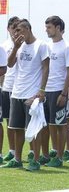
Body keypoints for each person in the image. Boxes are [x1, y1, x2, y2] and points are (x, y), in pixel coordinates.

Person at [1, 19, 50, 171]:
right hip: (17, 92)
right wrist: (15, 48)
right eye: (15, 31)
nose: (17, 34)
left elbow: (46, 68)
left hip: (32, 94)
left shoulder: (41, 45)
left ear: (28, 29)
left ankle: (35, 159)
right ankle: (17, 158)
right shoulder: (18, 46)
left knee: (33, 129)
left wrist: (41, 91)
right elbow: (9, 64)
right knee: (16, 128)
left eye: (20, 31)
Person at [41, 16, 69, 167]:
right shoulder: (47, 46)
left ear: (58, 28)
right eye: (46, 27)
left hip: (58, 91)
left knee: (60, 125)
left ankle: (59, 157)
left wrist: (64, 93)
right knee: (46, 124)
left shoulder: (67, 47)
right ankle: (46, 155)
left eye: (49, 27)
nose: (46, 30)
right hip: (45, 91)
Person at [1, 16, 19, 162]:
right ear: (8, 29)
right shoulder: (5, 45)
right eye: (13, 27)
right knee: (8, 121)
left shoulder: (24, 44)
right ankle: (12, 151)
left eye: (18, 27)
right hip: (7, 87)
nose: (15, 30)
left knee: (22, 122)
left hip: (20, 88)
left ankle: (31, 151)